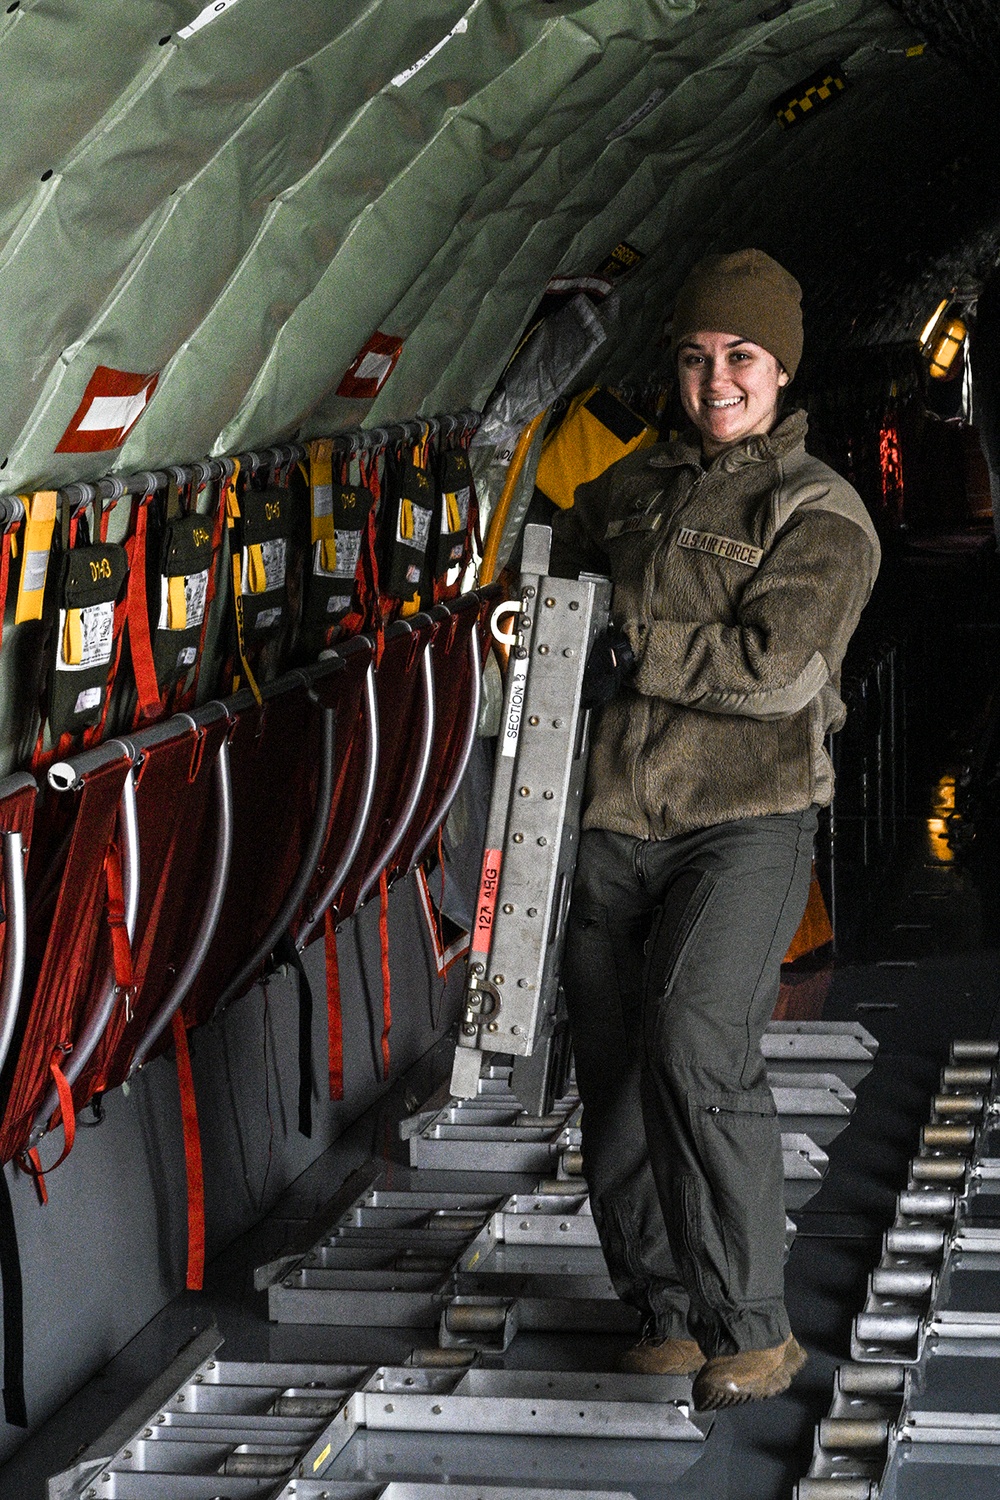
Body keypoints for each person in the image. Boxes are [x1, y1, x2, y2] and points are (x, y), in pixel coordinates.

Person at [549, 249, 880, 1410]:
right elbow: (556, 603)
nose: (715, 377)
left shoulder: (817, 511)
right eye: (694, 357)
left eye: (739, 356)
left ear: (780, 369)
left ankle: (751, 1323)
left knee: (694, 1043)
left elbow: (778, 669)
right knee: (616, 1073)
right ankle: (665, 1310)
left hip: (741, 822)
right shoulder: (626, 493)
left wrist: (633, 647)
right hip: (612, 819)